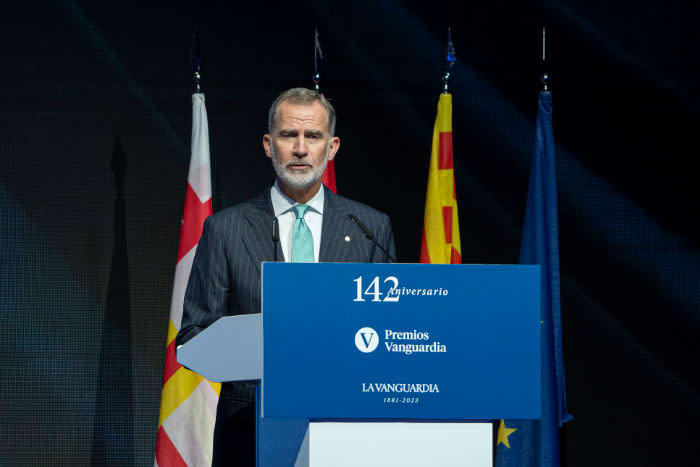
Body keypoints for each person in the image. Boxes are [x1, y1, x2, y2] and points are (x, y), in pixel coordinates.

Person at [175, 88, 395, 466]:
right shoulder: (226, 230)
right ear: (267, 144)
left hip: (345, 432)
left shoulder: (369, 228)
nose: (300, 148)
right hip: (249, 435)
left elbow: (389, 332)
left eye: (313, 136)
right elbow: (194, 335)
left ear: (333, 146)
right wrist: (264, 345)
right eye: (288, 135)